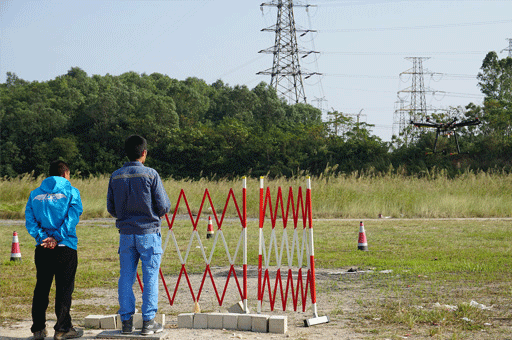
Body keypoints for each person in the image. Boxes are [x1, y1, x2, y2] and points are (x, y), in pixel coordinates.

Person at [107, 135, 171, 335]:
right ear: (144, 153)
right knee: (150, 276)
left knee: (126, 277)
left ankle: (126, 322)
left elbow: (111, 208)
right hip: (149, 233)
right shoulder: (151, 174)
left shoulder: (116, 176)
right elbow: (163, 206)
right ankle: (148, 323)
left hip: (126, 234)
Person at [25, 160, 83, 340]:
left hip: (42, 249)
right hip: (65, 247)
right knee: (64, 288)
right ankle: (62, 329)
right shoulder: (72, 192)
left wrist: (44, 238)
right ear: (66, 173)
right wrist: (57, 237)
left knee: (41, 288)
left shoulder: (34, 194)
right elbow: (72, 218)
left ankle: (38, 329)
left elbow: (30, 220)